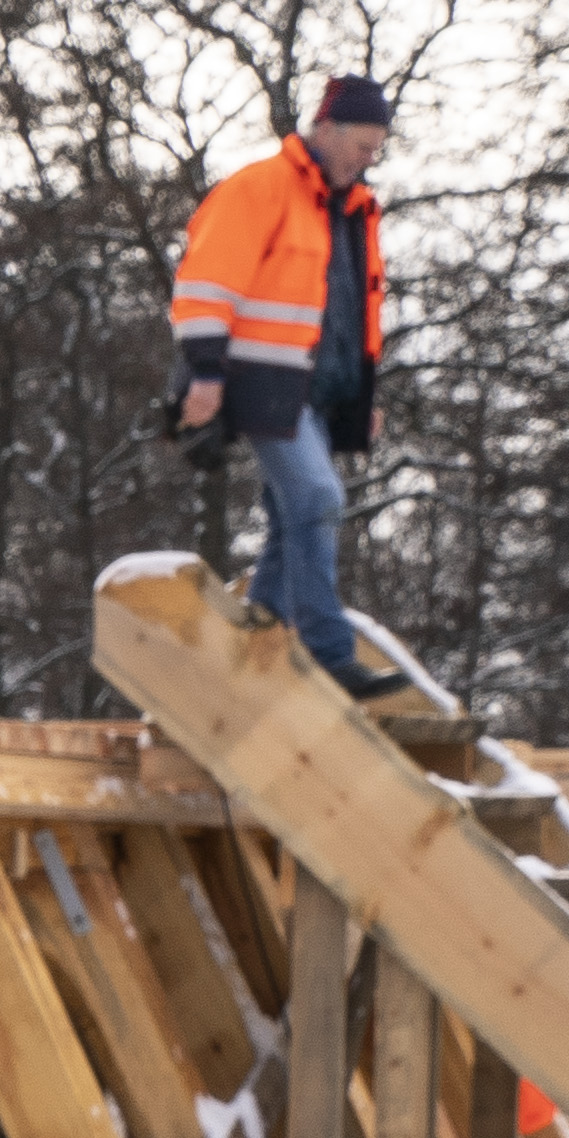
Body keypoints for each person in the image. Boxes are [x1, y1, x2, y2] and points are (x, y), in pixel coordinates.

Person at [170, 72, 408, 696]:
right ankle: (330, 653)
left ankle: (256, 641)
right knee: (316, 499)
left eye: (378, 145)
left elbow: (349, 309)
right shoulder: (259, 190)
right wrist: (205, 372)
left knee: (289, 518)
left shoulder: (354, 211)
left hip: (322, 391)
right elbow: (205, 285)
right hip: (263, 381)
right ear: (324, 129)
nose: (370, 155)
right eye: (362, 141)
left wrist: (362, 393)